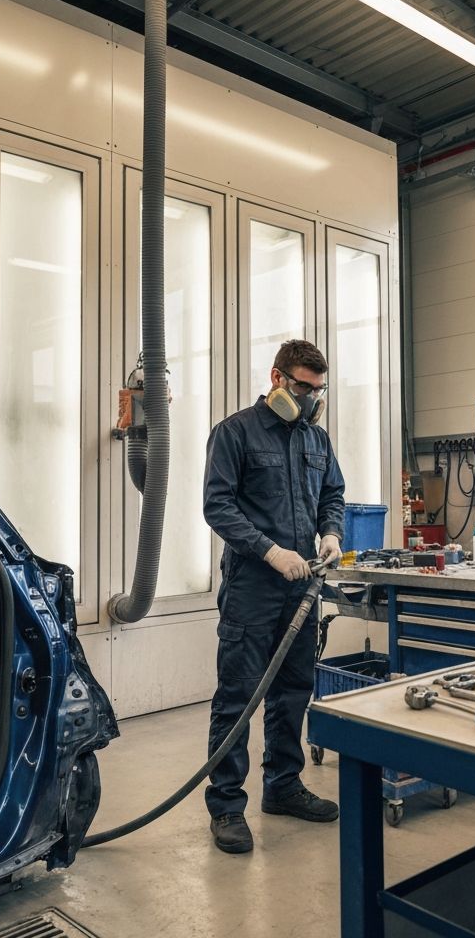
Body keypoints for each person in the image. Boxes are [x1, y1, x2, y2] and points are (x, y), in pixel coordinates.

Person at [202, 339, 345, 854]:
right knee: (238, 694)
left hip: (302, 583)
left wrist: (330, 533)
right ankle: (226, 807)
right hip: (253, 583)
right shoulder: (234, 433)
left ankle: (283, 787)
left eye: (317, 390)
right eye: (302, 387)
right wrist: (268, 551)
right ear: (277, 378)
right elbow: (217, 506)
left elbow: (333, 494)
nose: (309, 398)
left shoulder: (316, 439)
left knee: (293, 690)